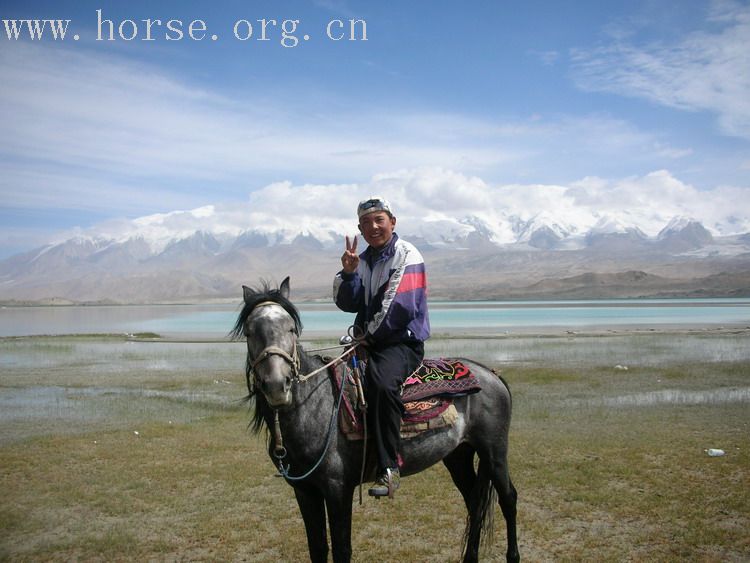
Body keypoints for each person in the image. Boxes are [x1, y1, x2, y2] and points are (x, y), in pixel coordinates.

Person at [333, 196, 430, 497]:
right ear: (360, 229)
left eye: (379, 220)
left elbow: (397, 308)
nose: (373, 227)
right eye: (366, 223)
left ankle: (390, 467)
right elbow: (346, 303)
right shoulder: (362, 260)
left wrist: (365, 339)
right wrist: (349, 273)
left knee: (382, 383)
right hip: (370, 340)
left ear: (393, 222)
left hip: (401, 343)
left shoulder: (407, 255)